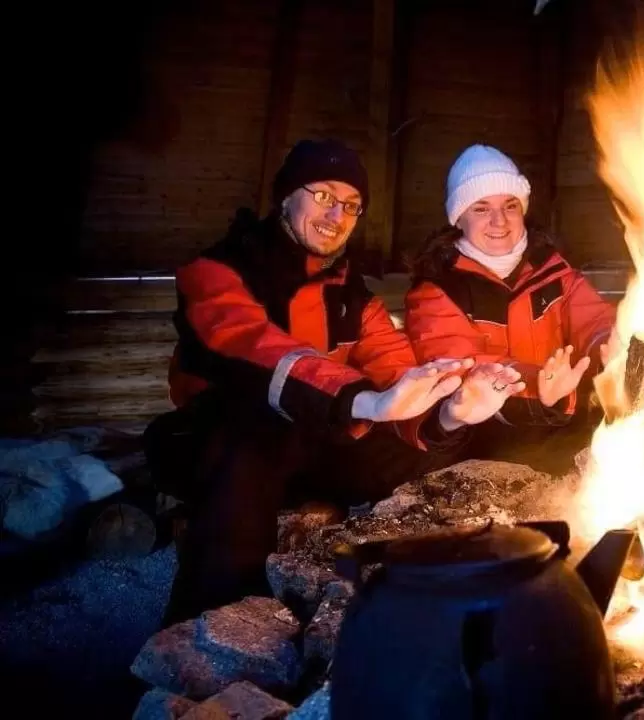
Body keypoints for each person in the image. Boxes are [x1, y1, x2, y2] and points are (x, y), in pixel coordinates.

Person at [144, 138, 525, 625]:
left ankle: (428, 598)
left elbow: (396, 370)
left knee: (424, 447)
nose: (336, 215)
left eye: (351, 205)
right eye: (323, 195)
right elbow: (255, 347)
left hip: (314, 448)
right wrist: (362, 401)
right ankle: (215, 631)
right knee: (253, 435)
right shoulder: (217, 273)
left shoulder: (353, 297)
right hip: (213, 445)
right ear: (286, 196)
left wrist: (451, 411)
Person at [404, 144, 618, 475]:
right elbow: (461, 366)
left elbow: (594, 319)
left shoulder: (552, 269)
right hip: (481, 445)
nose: (499, 220)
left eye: (510, 205)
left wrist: (611, 346)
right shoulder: (437, 291)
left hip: (557, 423)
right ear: (458, 218)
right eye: (480, 208)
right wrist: (538, 385)